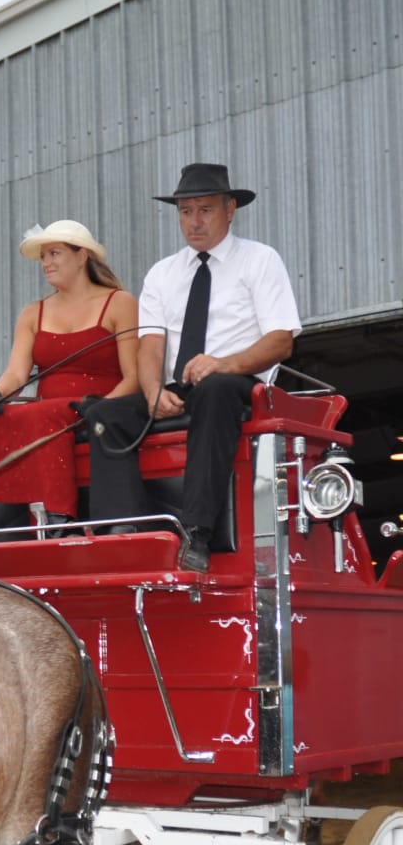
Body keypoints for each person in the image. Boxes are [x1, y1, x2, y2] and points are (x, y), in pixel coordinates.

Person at [87, 163, 302, 571]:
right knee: (104, 415)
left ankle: (197, 532)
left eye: (205, 210)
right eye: (186, 212)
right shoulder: (163, 273)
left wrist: (225, 363)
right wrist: (152, 393)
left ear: (230, 209)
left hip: (239, 382)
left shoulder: (259, 260)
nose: (195, 221)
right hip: (178, 386)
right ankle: (128, 532)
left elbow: (281, 341)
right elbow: (150, 345)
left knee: (216, 388)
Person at [0, 220, 138, 538]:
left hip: (95, 411)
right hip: (51, 414)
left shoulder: (120, 303)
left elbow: (134, 377)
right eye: (43, 256)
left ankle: (61, 516)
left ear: (82, 255)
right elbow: (16, 373)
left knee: (43, 414)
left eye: (54, 253)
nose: (46, 264)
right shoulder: (34, 313)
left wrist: (104, 407)